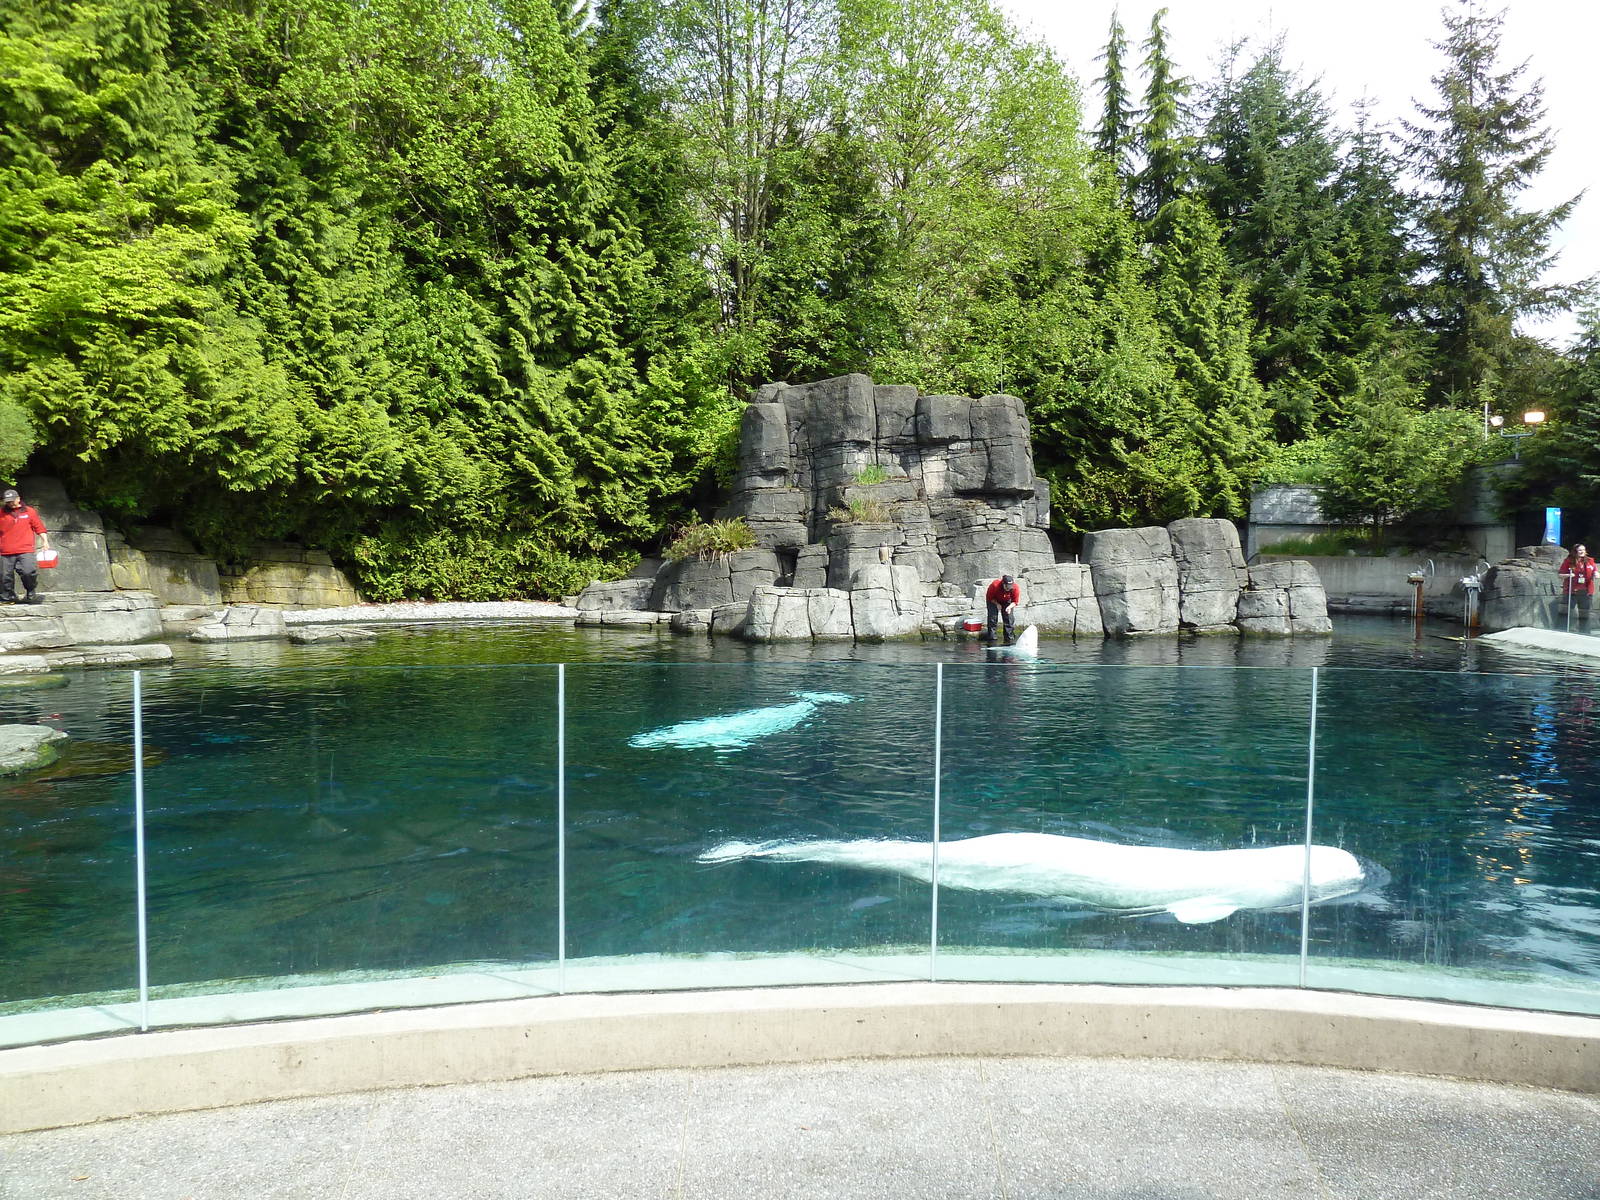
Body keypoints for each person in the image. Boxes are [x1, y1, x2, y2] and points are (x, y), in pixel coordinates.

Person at [0, 488, 49, 604]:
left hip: (25, 549)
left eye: (12, 500)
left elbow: (39, 527)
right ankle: (8, 597)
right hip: (5, 550)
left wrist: (45, 542)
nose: (10, 503)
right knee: (3, 576)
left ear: (18, 499)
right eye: (7, 501)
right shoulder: (1, 513)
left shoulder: (29, 511)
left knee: (28, 571)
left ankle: (31, 590)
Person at [1559, 543, 1596, 628]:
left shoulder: (1590, 561)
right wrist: (1568, 575)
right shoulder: (1568, 561)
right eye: (1580, 550)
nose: (1582, 551)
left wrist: (1596, 574)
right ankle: (1561, 629)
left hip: (1586, 591)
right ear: (1575, 551)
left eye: (1583, 550)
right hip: (1572, 591)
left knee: (1584, 613)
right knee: (1566, 612)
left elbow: (1595, 571)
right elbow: (1560, 574)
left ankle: (1584, 632)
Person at [985, 573, 1024, 644]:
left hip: (1007, 601)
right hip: (994, 600)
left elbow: (1015, 601)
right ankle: (992, 639)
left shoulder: (1015, 588)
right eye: (1007, 587)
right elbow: (990, 598)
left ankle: (1009, 639)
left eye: (1010, 587)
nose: (1008, 589)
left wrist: (1009, 607)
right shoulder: (995, 585)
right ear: (1003, 584)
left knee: (1009, 619)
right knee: (992, 619)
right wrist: (997, 604)